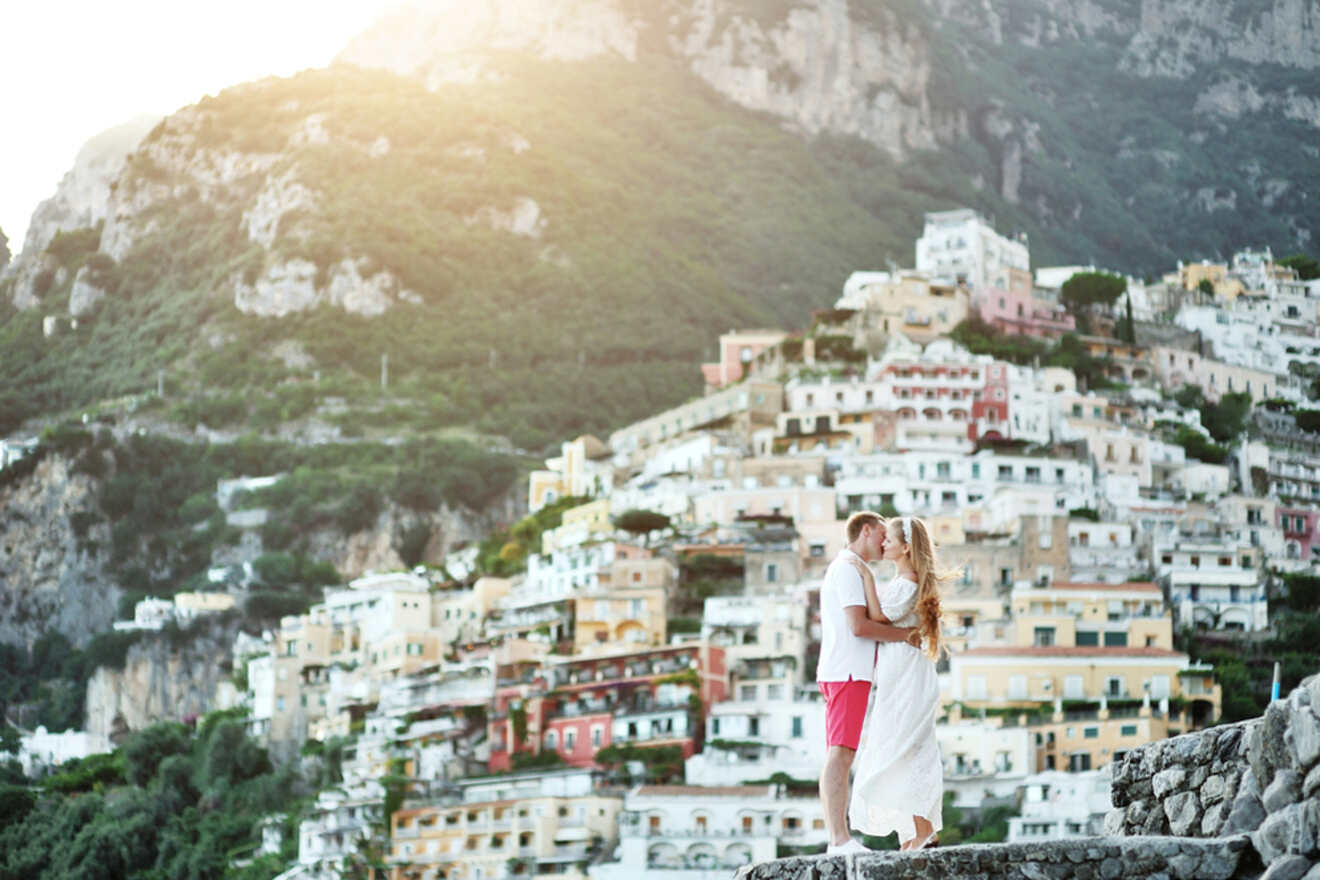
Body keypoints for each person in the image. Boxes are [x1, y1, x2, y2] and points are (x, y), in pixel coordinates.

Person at [817, 512, 922, 855]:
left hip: (848, 671)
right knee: (841, 754)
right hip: (847, 672)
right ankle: (839, 840)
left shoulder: (847, 567)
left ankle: (839, 838)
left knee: (841, 752)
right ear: (866, 530)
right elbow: (859, 627)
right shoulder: (848, 567)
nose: (883, 540)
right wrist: (905, 635)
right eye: (880, 533)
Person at [847, 515, 954, 850]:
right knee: (905, 749)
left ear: (906, 547)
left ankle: (922, 831)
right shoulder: (906, 581)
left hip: (907, 677)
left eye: (890, 540)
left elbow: (877, 618)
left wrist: (864, 575)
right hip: (901, 674)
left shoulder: (907, 583)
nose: (884, 544)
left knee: (908, 748)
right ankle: (912, 831)